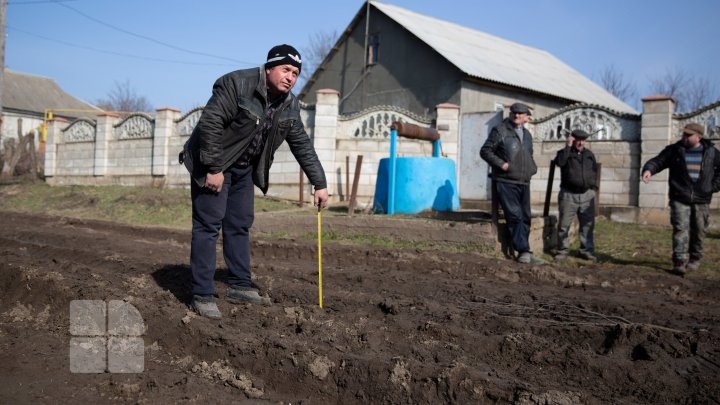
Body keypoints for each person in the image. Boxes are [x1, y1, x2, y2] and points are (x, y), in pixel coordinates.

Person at [182, 44, 329, 318]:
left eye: (296, 73)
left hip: (244, 170)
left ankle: (240, 284)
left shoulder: (289, 104)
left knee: (239, 224)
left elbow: (302, 145)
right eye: (285, 69)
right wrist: (214, 168)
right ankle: (202, 293)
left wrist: (319, 183)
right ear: (270, 67)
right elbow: (210, 123)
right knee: (208, 225)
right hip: (213, 162)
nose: (290, 77)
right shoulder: (237, 84)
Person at [641, 123, 720, 276]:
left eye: (688, 135)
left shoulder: (711, 152)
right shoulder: (674, 150)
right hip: (679, 196)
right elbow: (658, 161)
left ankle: (695, 257)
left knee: (699, 230)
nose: (684, 137)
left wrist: (713, 186)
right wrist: (648, 170)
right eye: (684, 134)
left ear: (699, 137)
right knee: (680, 229)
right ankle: (679, 261)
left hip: (702, 198)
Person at [481, 102, 544, 265]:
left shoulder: (528, 135)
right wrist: (502, 165)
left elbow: (529, 154)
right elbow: (485, 151)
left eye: (520, 113)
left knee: (525, 216)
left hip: (523, 181)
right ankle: (523, 251)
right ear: (510, 114)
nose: (517, 115)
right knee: (515, 215)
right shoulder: (500, 130)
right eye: (514, 112)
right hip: (506, 180)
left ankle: (526, 251)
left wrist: (532, 168)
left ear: (526, 117)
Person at [553, 129, 598, 262]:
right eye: (578, 140)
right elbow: (559, 162)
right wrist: (567, 146)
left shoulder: (589, 154)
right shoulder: (564, 153)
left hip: (586, 196)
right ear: (573, 140)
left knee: (587, 226)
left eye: (583, 140)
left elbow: (594, 170)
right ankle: (562, 250)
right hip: (568, 195)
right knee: (564, 225)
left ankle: (586, 251)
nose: (581, 143)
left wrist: (592, 187)